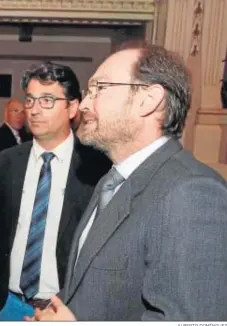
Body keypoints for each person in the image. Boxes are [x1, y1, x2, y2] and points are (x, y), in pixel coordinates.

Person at [29, 43, 227, 321]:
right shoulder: (111, 180)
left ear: (148, 99)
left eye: (100, 88)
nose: (84, 104)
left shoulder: (192, 193)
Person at [0, 62, 111, 321]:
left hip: (64, 309)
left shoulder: (97, 167)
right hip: (8, 304)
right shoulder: (8, 161)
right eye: (30, 100)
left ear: (73, 107)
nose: (35, 110)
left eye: (48, 100)